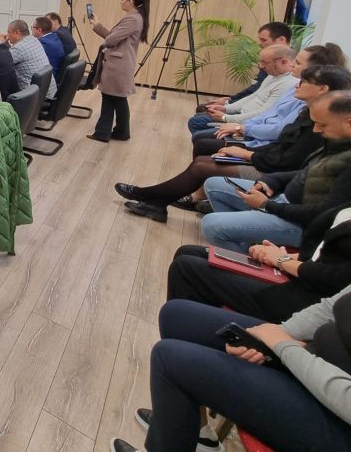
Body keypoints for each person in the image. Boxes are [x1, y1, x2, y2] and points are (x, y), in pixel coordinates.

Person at [109, 291, 351, 452]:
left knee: (168, 359)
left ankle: (176, 431)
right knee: (175, 315)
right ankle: (193, 433)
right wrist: (271, 334)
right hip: (309, 357)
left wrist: (283, 346)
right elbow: (331, 307)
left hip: (336, 415)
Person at [116, 64, 351, 222]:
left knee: (202, 165)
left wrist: (248, 153)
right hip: (269, 161)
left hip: (272, 172)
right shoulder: (308, 113)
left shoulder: (320, 125)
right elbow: (280, 144)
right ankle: (156, 202)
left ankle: (149, 196)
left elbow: (288, 159)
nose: (297, 84)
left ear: (323, 89)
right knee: (203, 158)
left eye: (304, 81)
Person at [195, 91, 351, 251]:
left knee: (211, 225)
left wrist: (267, 206)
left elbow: (323, 213)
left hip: (301, 225)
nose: (316, 130)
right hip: (284, 201)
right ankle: (245, 244)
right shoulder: (337, 142)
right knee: (213, 185)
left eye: (323, 125)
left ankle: (249, 255)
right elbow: (307, 172)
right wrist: (272, 181)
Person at [165, 203, 351, 323]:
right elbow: (322, 249)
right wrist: (289, 257)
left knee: (185, 269)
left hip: (308, 299)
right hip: (302, 272)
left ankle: (189, 340)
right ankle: (201, 329)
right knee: (188, 252)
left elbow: (337, 279)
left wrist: (282, 260)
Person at [190, 43, 344, 155]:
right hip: (253, 131)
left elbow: (279, 130)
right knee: (201, 137)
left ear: (314, 69)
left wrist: (239, 126)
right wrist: (236, 119)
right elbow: (266, 110)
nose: (292, 65)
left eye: (297, 63)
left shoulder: (304, 98)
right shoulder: (293, 86)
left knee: (202, 142)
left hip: (262, 142)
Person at [186, 45, 298, 135]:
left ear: (283, 62)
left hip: (249, 123)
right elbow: (253, 96)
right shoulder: (273, 75)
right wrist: (226, 108)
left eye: (265, 62)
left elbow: (263, 113)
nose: (261, 66)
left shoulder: (287, 84)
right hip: (241, 115)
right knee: (199, 117)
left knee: (196, 125)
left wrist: (226, 117)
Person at [87, 0, 150, 143]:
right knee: (117, 99)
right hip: (120, 64)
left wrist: (104, 32)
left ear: (131, 1)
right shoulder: (135, 17)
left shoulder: (132, 19)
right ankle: (121, 132)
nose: (120, 2)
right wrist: (97, 25)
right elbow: (114, 36)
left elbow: (111, 40)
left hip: (118, 65)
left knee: (110, 98)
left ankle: (103, 133)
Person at [197, 22, 293, 113]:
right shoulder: (269, 60)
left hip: (254, 114)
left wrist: (228, 107)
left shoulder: (289, 69)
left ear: (281, 40)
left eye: (264, 40)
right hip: (246, 106)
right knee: (203, 109)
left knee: (201, 115)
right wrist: (230, 100)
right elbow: (256, 90)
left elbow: (263, 105)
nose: (259, 43)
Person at [4, 20, 57, 99]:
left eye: (9, 32)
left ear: (16, 33)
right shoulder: (34, 40)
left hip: (36, 97)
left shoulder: (19, 49)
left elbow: (1, 61)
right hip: (47, 92)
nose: (7, 35)